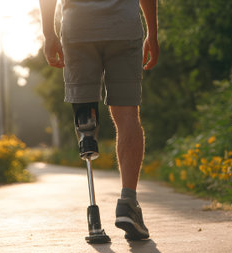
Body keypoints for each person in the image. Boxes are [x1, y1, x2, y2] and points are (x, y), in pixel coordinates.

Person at [39, 0, 159, 240]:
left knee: (84, 111)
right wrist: (153, 34)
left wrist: (49, 33)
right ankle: (128, 203)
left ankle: (86, 131)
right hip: (122, 28)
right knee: (127, 116)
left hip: (78, 28)